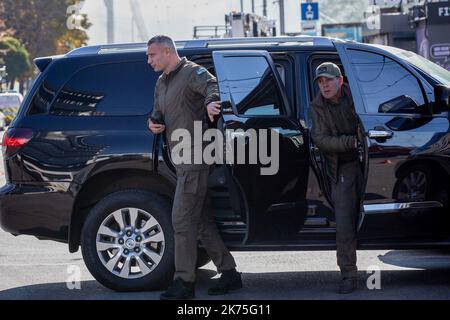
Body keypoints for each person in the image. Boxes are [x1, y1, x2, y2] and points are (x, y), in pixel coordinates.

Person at [146, 35, 242, 300]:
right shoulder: (161, 82)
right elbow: (157, 114)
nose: (149, 60)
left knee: (181, 220)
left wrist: (212, 102)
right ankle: (230, 273)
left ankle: (184, 283)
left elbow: (213, 86)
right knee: (201, 222)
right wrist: (152, 123)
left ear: (167, 51)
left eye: (152, 55)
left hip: (196, 158)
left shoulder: (191, 73)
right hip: (179, 160)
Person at [309, 62, 364, 294]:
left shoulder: (357, 95)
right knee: (343, 222)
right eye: (320, 82)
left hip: (371, 161)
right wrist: (351, 142)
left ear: (340, 80)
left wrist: (363, 140)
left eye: (328, 80)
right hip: (342, 165)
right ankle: (349, 275)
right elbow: (320, 139)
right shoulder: (316, 105)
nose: (324, 86)